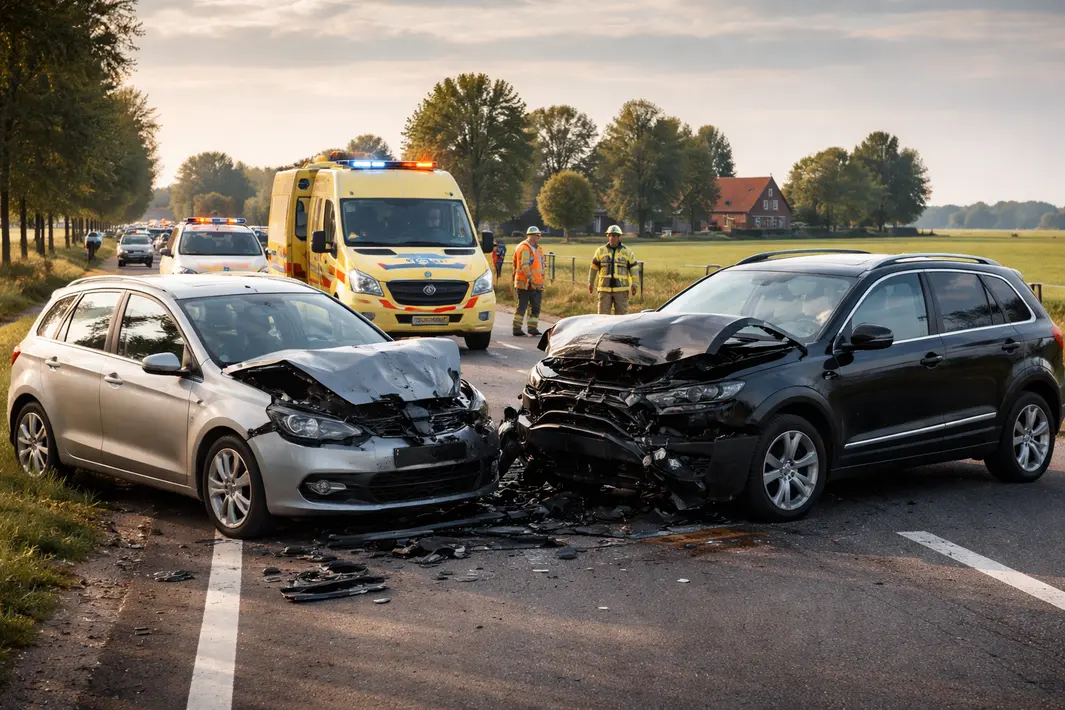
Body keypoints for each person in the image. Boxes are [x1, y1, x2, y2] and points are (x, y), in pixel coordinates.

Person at [588, 225, 638, 315]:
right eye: (610, 235)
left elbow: (634, 269)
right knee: (602, 318)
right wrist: (590, 282)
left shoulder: (627, 252)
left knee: (622, 319)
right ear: (607, 236)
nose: (611, 238)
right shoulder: (600, 251)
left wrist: (635, 284)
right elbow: (593, 268)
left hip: (621, 291)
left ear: (619, 237)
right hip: (604, 290)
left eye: (614, 236)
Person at [512, 226, 546, 336]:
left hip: (537, 284)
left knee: (535, 307)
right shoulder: (524, 248)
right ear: (530, 236)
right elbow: (524, 265)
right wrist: (531, 279)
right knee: (522, 306)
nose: (538, 238)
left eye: (539, 236)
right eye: (536, 236)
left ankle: (532, 328)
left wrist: (539, 281)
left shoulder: (538, 249)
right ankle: (517, 328)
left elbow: (541, 266)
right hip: (525, 283)